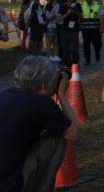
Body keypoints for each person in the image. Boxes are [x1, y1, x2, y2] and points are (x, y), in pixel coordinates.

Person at [0, 55, 81, 192]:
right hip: (11, 185)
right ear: (43, 85)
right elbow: (74, 133)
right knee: (58, 137)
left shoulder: (5, 94)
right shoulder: (41, 102)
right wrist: (61, 94)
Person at [79, 0, 103, 65]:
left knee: (98, 44)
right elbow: (80, 17)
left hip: (95, 29)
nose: (88, 0)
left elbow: (101, 17)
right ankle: (87, 60)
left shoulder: (97, 6)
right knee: (86, 45)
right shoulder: (82, 6)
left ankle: (97, 54)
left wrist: (101, 27)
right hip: (85, 30)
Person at [57, 0, 81, 65]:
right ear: (67, 0)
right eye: (70, 0)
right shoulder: (62, 7)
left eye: (72, 0)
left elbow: (82, 16)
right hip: (64, 30)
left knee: (74, 49)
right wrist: (67, 13)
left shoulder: (78, 6)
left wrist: (76, 11)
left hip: (74, 30)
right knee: (65, 49)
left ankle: (75, 62)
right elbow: (59, 18)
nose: (71, 1)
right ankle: (67, 63)